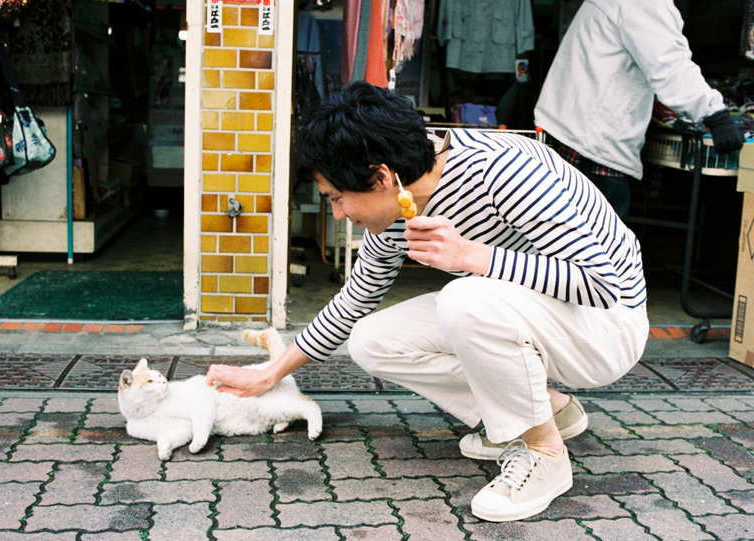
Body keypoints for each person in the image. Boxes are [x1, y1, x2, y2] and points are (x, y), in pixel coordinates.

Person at [205, 81, 650, 522]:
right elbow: (354, 301)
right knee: (371, 340)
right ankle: (545, 412)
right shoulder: (395, 210)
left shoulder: (500, 171)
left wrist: (472, 256)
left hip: (608, 326)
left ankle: (545, 455)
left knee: (464, 300)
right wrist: (271, 373)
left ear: (381, 177)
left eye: (337, 198)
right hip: (538, 314)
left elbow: (602, 284)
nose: (339, 213)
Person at [534, 0, 744, 221]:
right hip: (594, 144)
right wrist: (715, 114)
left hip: (574, 132)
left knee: (565, 231)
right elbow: (671, 68)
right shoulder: (646, 3)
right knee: (600, 237)